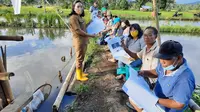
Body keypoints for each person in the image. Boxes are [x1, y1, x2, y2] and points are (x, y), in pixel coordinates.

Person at [129, 40, 196, 112]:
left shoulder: (185, 78)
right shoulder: (166, 64)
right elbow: (156, 72)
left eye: (166, 59)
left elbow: (179, 104)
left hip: (166, 109)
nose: (162, 62)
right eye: (160, 58)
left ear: (179, 58)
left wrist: (154, 100)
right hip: (155, 97)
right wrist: (144, 72)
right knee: (132, 98)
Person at [69, 0, 97, 82]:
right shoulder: (73, 18)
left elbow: (84, 28)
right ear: (73, 8)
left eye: (81, 6)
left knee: (82, 57)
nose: (80, 8)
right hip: (79, 41)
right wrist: (91, 35)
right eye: (78, 6)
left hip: (84, 41)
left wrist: (91, 23)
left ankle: (81, 73)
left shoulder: (80, 17)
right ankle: (79, 76)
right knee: (79, 58)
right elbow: (78, 31)